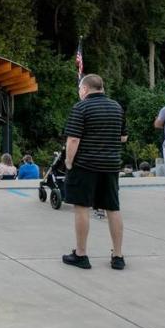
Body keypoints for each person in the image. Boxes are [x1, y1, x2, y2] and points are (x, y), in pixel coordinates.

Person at [61, 74, 128, 271]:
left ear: (85, 89)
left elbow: (73, 139)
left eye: (80, 89)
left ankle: (81, 254)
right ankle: (118, 256)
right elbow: (123, 137)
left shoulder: (81, 107)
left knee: (82, 207)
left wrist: (68, 162)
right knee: (112, 208)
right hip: (110, 166)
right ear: (102, 88)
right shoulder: (117, 107)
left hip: (85, 166)